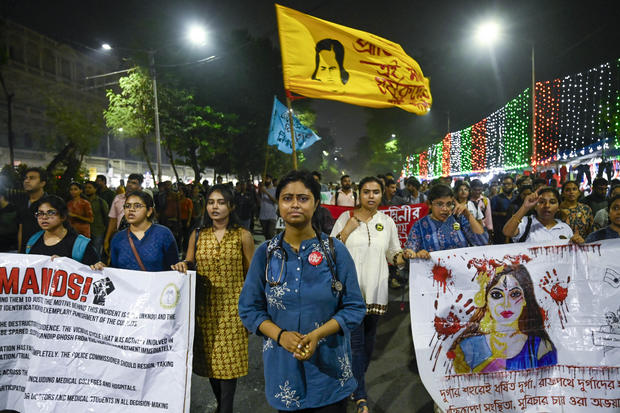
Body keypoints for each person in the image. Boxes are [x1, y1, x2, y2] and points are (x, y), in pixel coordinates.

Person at [239, 170, 366, 412]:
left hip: (330, 374)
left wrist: (318, 334)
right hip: (284, 373)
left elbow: (355, 307)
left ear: (316, 203)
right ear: (278, 204)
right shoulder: (265, 253)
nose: (294, 204)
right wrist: (280, 335)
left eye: (303, 198)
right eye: (287, 198)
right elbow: (249, 308)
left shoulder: (335, 251)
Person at [330, 176, 414, 413]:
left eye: (375, 192)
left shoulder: (387, 222)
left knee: (367, 347)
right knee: (355, 345)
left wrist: (403, 257)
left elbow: (393, 254)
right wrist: (346, 230)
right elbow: (330, 252)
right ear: (359, 193)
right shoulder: (344, 218)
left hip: (377, 292)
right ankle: (361, 396)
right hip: (350, 294)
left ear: (381, 194)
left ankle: (353, 381)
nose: (371, 196)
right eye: (366, 191)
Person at [172, 184, 255, 413]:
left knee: (230, 364)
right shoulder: (197, 235)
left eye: (220, 202)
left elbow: (253, 276)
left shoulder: (243, 236)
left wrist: (252, 311)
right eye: (211, 202)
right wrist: (183, 264)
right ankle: (221, 405)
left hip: (234, 307)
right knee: (211, 363)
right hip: (205, 308)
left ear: (231, 206)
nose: (214, 207)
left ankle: (225, 408)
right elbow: (189, 262)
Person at [450, 265, 557, 373]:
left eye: (515, 294)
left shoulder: (541, 349)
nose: (506, 304)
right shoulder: (467, 349)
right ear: (485, 300)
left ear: (525, 299)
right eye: (496, 295)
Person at [93, 191, 178, 271]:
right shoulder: (118, 238)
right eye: (127, 206)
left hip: (157, 286)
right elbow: (115, 270)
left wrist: (180, 266)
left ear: (149, 211)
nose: (131, 209)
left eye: (137, 206)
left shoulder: (163, 234)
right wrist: (103, 268)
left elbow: (174, 268)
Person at [25, 195, 99, 265]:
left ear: (63, 216)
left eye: (50, 213)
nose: (44, 217)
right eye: (40, 213)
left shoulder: (80, 245)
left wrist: (67, 265)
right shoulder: (33, 241)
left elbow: (96, 274)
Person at [502, 187, 582, 244]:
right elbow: (507, 232)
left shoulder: (564, 228)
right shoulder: (526, 223)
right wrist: (525, 207)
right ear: (535, 206)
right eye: (542, 202)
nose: (547, 205)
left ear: (558, 207)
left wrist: (578, 243)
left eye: (552, 202)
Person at [103, 173, 144, 257]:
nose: (129, 185)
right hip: (121, 238)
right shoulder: (118, 198)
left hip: (139, 240)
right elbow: (113, 220)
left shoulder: (145, 199)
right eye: (128, 182)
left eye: (134, 183)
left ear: (140, 186)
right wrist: (107, 239)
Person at [17, 167, 47, 252]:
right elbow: (21, 228)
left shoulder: (50, 203)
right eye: (26, 178)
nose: (27, 181)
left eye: (32, 178)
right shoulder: (22, 202)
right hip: (25, 252)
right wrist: (20, 252)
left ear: (42, 183)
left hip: (44, 253)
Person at [84, 181, 109, 257]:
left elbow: (106, 217)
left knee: (96, 252)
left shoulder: (101, 202)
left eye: (90, 188)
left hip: (98, 231)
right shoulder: (82, 201)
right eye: (86, 188)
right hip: (84, 231)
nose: (87, 189)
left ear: (95, 189)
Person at [491, 176, 516, 244]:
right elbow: (491, 214)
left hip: (516, 231)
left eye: (508, 184)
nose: (506, 186)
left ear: (513, 185)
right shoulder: (496, 198)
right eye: (504, 184)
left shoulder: (517, 198)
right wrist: (502, 214)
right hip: (500, 231)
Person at [259, 174, 278, 240]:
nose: (266, 180)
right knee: (266, 235)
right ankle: (268, 249)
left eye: (267, 179)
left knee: (271, 234)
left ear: (271, 180)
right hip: (263, 216)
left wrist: (266, 193)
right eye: (265, 179)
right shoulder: (262, 189)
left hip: (272, 216)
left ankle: (273, 248)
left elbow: (276, 201)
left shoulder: (275, 190)